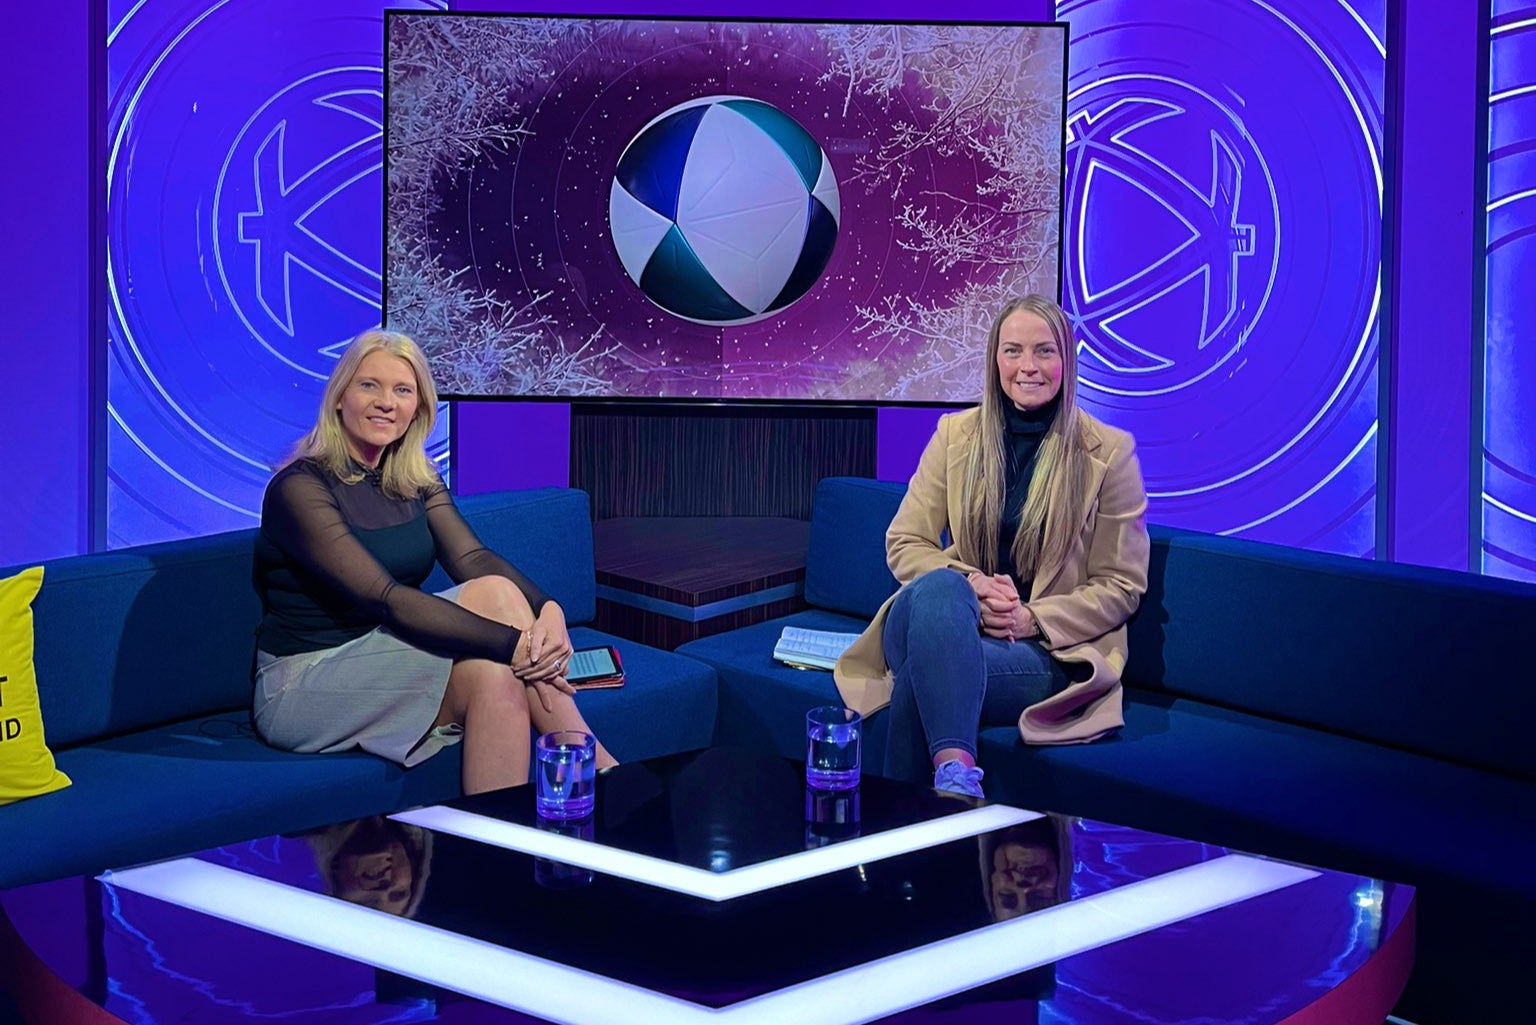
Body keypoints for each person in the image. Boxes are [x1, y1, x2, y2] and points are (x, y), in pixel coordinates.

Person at [252, 329, 615, 794]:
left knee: (495, 676)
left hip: (388, 653)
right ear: (339, 397)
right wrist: (520, 646)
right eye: (369, 385)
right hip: (304, 683)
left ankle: (496, 850)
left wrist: (550, 610)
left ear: (418, 411)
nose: (387, 402)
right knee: (496, 607)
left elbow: (472, 556)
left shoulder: (415, 480)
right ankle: (597, 770)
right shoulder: (298, 489)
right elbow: (383, 598)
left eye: (403, 391)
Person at [834, 294, 1149, 798]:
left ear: (1067, 360)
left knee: (921, 677)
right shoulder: (955, 434)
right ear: (994, 360)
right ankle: (947, 803)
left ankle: (939, 792)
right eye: (1013, 351)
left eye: (1045, 351)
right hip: (938, 618)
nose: (1028, 367)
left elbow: (1121, 585)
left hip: (1036, 648)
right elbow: (905, 539)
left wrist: (1032, 619)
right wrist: (973, 586)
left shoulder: (1110, 453)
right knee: (943, 586)